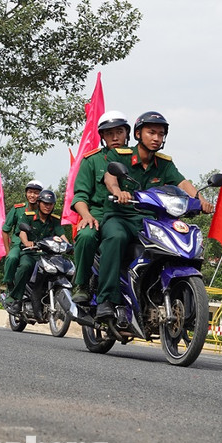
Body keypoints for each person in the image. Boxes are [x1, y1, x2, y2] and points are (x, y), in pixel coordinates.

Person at [96, 111, 214, 319]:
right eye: (151, 133)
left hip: (149, 220)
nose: (157, 138)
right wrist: (118, 192)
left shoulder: (164, 163)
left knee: (173, 245)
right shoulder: (119, 155)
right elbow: (110, 178)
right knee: (116, 238)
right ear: (139, 134)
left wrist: (200, 199)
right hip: (120, 217)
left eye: (161, 134)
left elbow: (182, 183)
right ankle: (106, 300)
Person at [70, 110, 131, 304]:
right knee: (86, 235)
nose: (115, 137)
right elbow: (80, 195)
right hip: (98, 214)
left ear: (127, 134)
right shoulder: (92, 160)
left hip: (130, 215)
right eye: (109, 133)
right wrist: (86, 215)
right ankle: (81, 283)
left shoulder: (137, 158)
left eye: (119, 132)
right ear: (102, 136)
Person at [3, 189, 68, 314]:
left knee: (63, 268)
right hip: (30, 253)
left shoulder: (54, 220)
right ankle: (17, 299)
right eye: (45, 203)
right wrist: (27, 242)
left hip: (46, 255)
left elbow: (61, 235)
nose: (48, 207)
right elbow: (22, 233)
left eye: (50, 204)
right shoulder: (28, 216)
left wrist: (70, 246)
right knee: (25, 266)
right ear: (39, 203)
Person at [1, 180, 43, 289]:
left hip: (38, 245)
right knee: (12, 258)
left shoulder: (44, 210)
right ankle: (9, 285)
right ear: (26, 193)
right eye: (30, 192)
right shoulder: (18, 209)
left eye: (36, 193)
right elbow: (5, 230)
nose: (32, 195)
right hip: (19, 245)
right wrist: (7, 251)